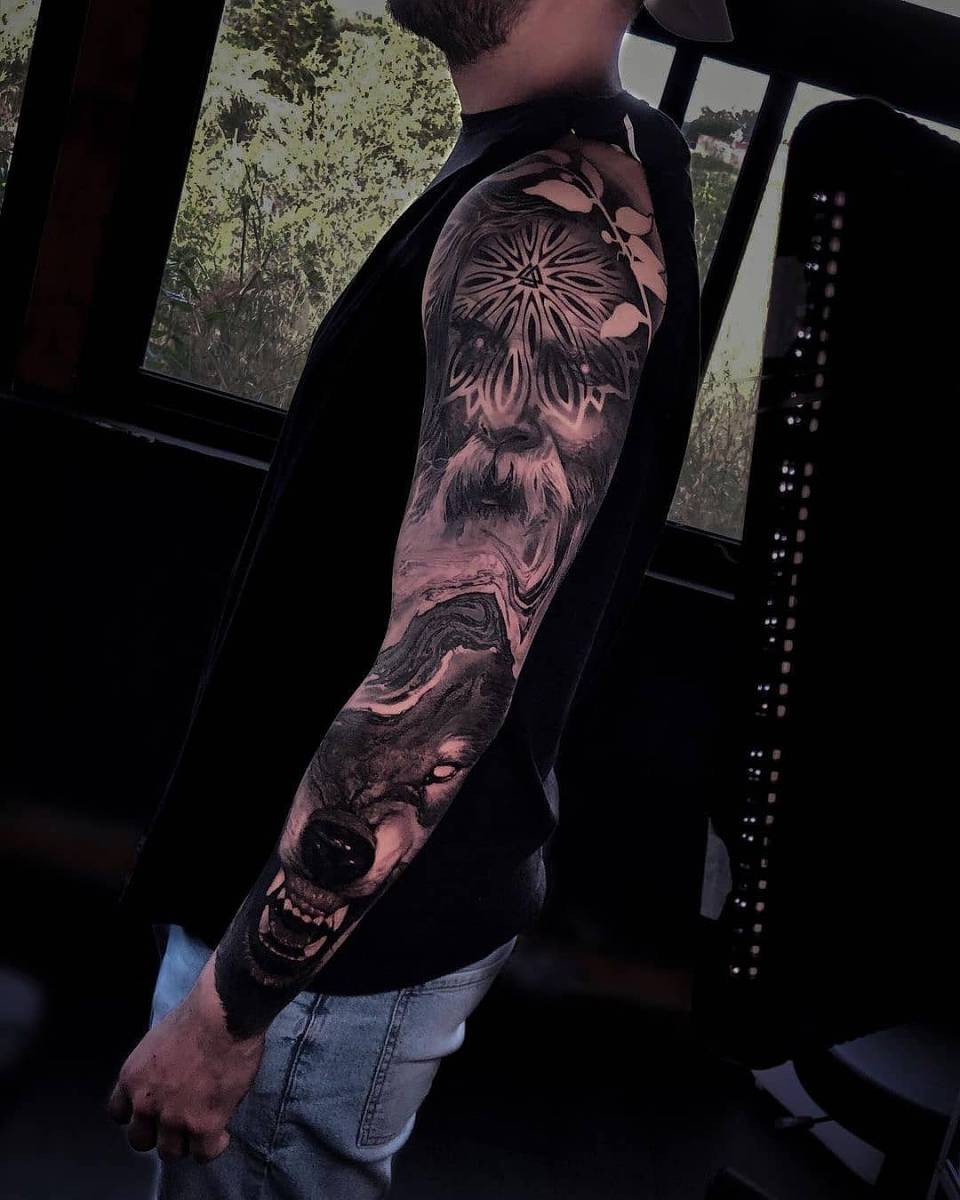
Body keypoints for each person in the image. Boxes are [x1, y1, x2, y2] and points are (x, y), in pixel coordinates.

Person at [108, 0, 730, 1195]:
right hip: (331, 922)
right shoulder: (599, 152)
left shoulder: (546, 218)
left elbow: (454, 666)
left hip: (318, 960)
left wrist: (231, 1009)